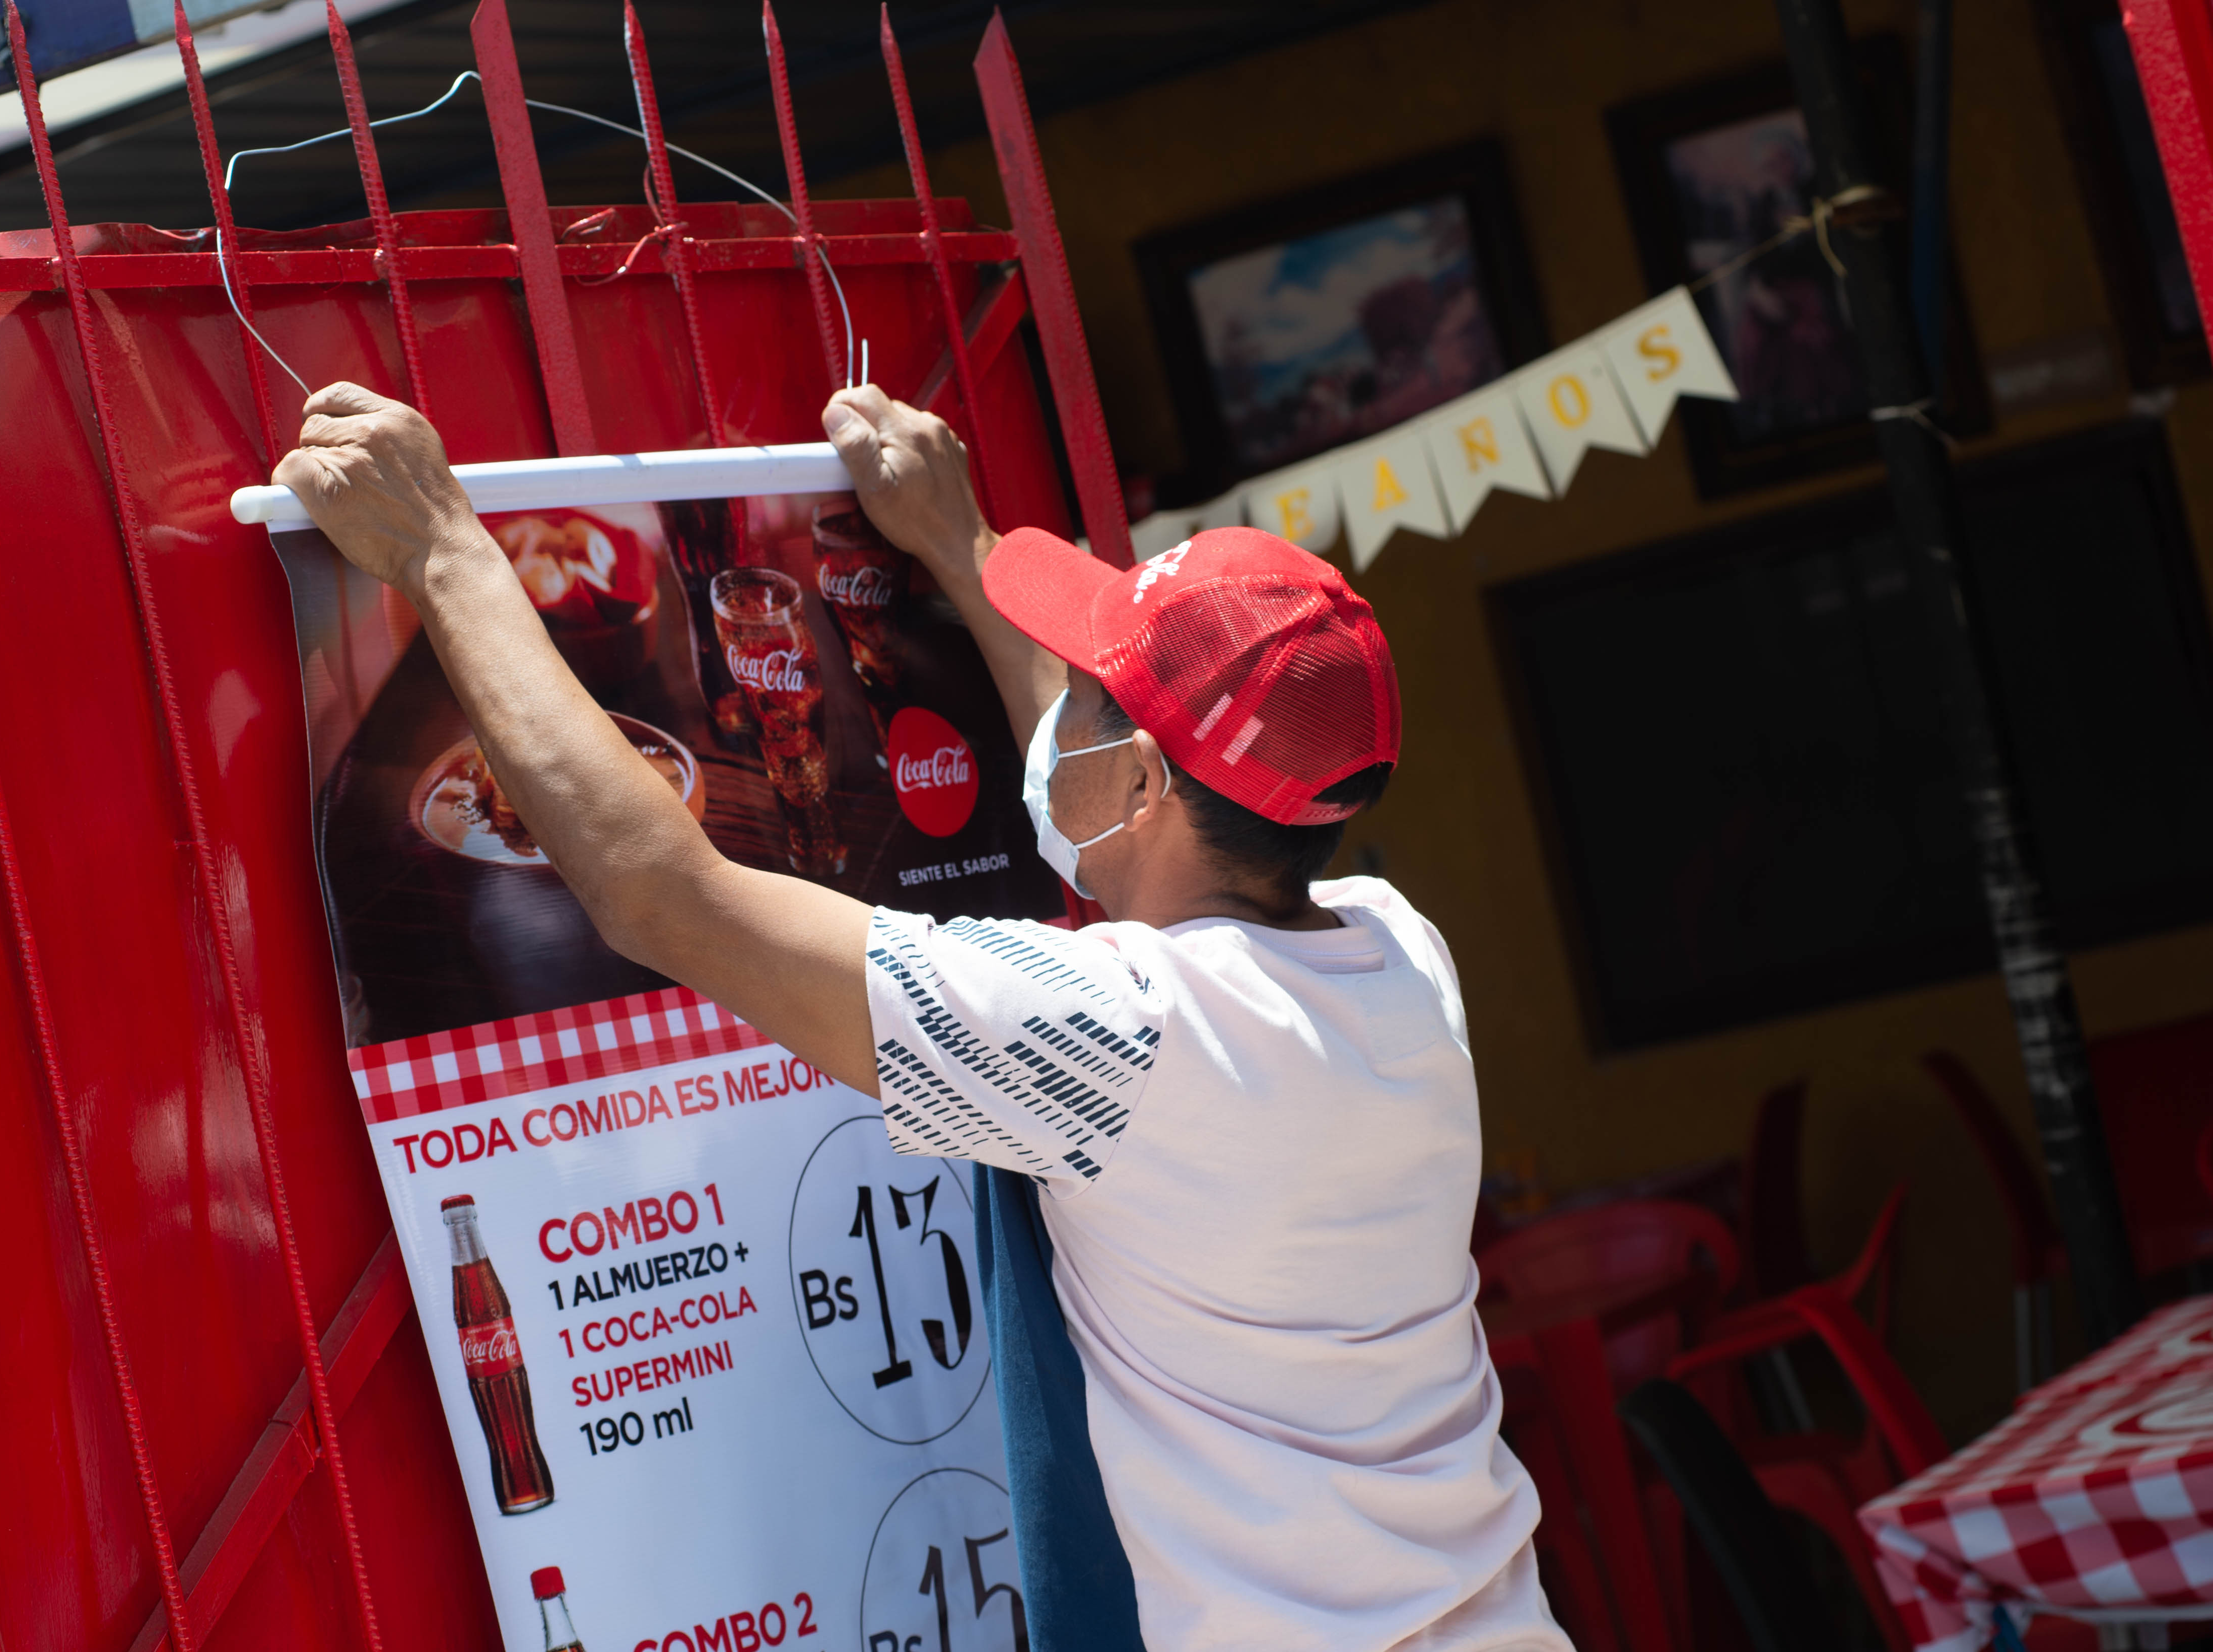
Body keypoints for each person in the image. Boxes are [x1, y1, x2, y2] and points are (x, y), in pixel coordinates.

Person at [275, 380, 1568, 1652]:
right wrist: (959, 540)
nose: (1065, 710)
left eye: (1096, 696)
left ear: (1147, 782)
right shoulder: (1400, 958)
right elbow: (1110, 832)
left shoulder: (1117, 1034)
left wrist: (446, 550)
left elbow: (663, 898)